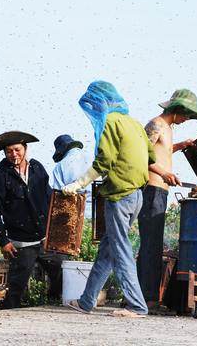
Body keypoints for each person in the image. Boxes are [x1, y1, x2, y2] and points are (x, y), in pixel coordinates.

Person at [62, 80, 156, 318]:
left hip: (119, 195)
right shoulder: (133, 123)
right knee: (107, 251)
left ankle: (136, 306)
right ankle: (86, 301)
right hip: (137, 195)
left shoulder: (110, 122)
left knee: (120, 249)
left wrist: (78, 183)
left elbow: (103, 161)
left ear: (101, 102)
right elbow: (150, 156)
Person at [137, 89, 197, 314]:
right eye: (186, 114)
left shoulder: (167, 129)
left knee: (156, 246)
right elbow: (138, 156)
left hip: (160, 191)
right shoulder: (155, 124)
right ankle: (146, 300)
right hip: (151, 190)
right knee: (151, 246)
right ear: (177, 110)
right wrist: (164, 174)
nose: (187, 119)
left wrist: (179, 147)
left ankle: (141, 297)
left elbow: (157, 154)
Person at [0, 130, 67, 309]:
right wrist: (3, 241)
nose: (14, 154)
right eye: (9, 151)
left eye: (17, 149)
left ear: (25, 148)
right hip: (21, 243)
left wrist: (59, 229)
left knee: (65, 272)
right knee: (15, 289)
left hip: (46, 239)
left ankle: (51, 300)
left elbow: (48, 197)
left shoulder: (37, 167)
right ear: (5, 153)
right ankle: (9, 318)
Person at [51, 134, 94, 217]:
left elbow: (59, 198)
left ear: (61, 152)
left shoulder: (59, 167)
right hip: (102, 211)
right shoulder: (92, 155)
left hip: (78, 215)